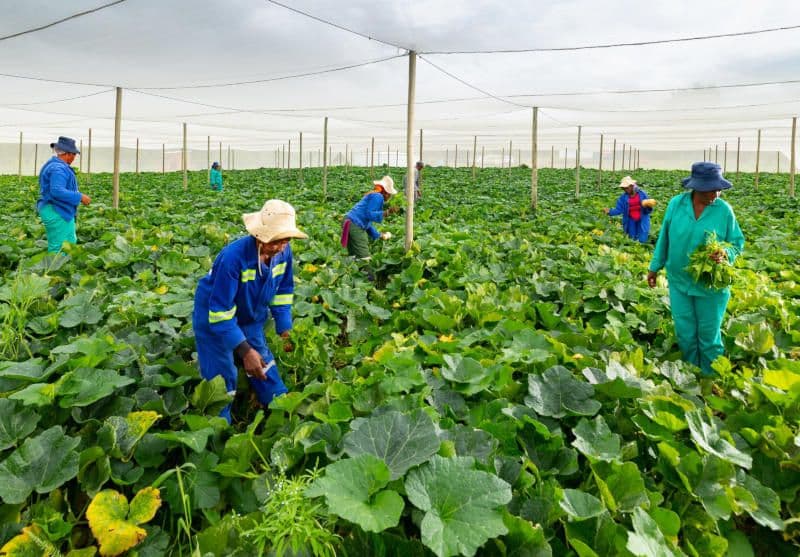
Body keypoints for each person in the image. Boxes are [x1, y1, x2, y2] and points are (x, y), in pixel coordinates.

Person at [192, 199, 308, 423]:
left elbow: (283, 291)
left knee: (263, 361)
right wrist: (245, 351)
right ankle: (219, 427)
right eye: (276, 241)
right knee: (221, 375)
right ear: (259, 235)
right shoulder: (233, 258)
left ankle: (280, 409)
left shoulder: (284, 253)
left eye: (286, 240)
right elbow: (220, 313)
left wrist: (285, 328)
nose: (281, 246)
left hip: (250, 316)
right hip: (214, 318)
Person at [647, 162, 745, 376]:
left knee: (708, 337)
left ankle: (710, 381)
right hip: (679, 281)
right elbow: (665, 237)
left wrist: (725, 254)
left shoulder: (724, 210)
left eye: (719, 188)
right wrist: (654, 267)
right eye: (712, 189)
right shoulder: (676, 204)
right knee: (685, 334)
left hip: (710, 285)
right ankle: (691, 378)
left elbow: (737, 244)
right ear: (697, 188)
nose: (717, 193)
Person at [36, 136, 91, 253]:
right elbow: (57, 191)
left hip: (57, 210)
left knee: (69, 244)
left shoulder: (54, 165)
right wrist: (80, 196)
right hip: (56, 211)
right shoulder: (58, 168)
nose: (74, 157)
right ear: (68, 154)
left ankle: (62, 269)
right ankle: (54, 270)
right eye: (74, 154)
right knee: (60, 248)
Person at [341, 175, 396, 261]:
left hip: (348, 221)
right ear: (386, 192)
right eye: (390, 195)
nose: (390, 197)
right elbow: (370, 214)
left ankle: (353, 272)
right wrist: (387, 212)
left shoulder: (373, 195)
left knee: (353, 255)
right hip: (354, 225)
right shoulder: (378, 196)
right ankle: (368, 273)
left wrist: (378, 235)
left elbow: (367, 224)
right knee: (364, 257)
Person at [603, 176, 652, 243]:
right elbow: (619, 209)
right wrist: (609, 212)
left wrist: (648, 206)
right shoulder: (623, 198)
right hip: (630, 220)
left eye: (626, 188)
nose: (625, 190)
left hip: (642, 219)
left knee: (642, 239)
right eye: (623, 188)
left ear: (632, 186)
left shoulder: (642, 194)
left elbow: (648, 209)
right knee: (631, 239)